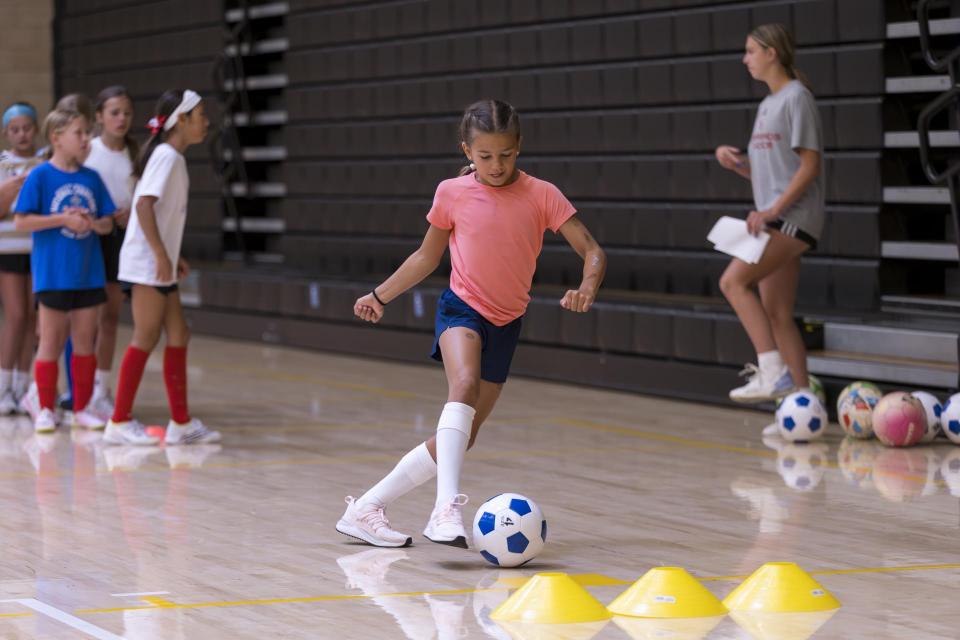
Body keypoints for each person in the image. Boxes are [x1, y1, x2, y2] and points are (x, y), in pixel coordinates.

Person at [336, 99, 607, 548]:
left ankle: (365, 508)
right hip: (461, 309)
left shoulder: (543, 195)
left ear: (519, 147)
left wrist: (587, 287)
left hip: (508, 322)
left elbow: (593, 250)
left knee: (464, 437)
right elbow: (427, 256)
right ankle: (445, 511)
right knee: (462, 386)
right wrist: (380, 295)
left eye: (505, 155)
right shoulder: (452, 192)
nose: (496, 165)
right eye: (484, 157)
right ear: (466, 151)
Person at [714, 23, 824, 413]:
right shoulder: (766, 106)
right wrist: (737, 164)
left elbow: (809, 166)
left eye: (750, 51)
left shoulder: (798, 98)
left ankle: (772, 369)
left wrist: (773, 211)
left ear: (771, 53)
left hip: (792, 219)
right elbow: (769, 173)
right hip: (776, 219)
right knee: (779, 315)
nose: (745, 59)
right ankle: (803, 405)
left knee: (733, 282)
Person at [105, 89, 220, 447]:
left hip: (158, 261)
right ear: (181, 121)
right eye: (200, 115)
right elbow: (143, 207)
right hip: (146, 265)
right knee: (146, 336)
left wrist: (172, 254)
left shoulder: (172, 157)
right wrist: (159, 254)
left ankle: (181, 425)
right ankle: (118, 422)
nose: (206, 121)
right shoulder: (168, 156)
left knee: (179, 333)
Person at [13, 108, 117, 432]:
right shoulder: (41, 176)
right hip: (53, 274)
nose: (86, 139)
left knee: (86, 341)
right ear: (57, 138)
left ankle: (81, 407)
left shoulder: (92, 179)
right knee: (51, 342)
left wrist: (93, 221)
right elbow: (21, 221)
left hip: (88, 272)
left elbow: (108, 221)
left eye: (87, 133)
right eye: (79, 133)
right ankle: (44, 407)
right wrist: (62, 219)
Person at [83, 86, 138, 419]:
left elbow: (143, 200)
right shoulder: (89, 151)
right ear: (99, 116)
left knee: (110, 317)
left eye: (127, 113)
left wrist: (130, 213)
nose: (121, 119)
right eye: (115, 112)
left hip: (122, 238)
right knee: (84, 319)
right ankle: (79, 389)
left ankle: (101, 389)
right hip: (90, 237)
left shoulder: (136, 154)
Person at [0, 103, 41, 414]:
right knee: (15, 316)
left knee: (31, 319)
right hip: (9, 250)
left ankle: (22, 385)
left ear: (36, 129)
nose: (22, 134)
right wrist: (7, 192)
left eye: (26, 128)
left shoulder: (45, 163)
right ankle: (2, 386)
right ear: (6, 134)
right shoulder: (2, 164)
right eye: (15, 129)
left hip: (39, 249)